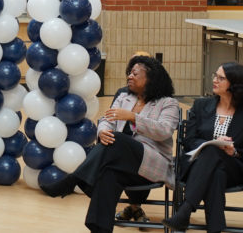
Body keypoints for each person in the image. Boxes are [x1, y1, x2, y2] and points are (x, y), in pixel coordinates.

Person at [44, 56, 178, 233]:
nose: (129, 76)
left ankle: (73, 179)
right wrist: (102, 132)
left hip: (152, 164)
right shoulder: (124, 98)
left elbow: (164, 131)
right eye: (129, 73)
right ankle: (99, 229)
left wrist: (132, 117)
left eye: (135, 74)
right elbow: (106, 120)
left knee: (119, 139)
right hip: (122, 164)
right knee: (108, 174)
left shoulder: (168, 103)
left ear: (151, 79)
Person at [163, 62, 243, 232]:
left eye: (221, 78)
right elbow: (189, 140)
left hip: (233, 168)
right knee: (216, 171)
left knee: (216, 157)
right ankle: (214, 228)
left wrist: (234, 151)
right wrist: (211, 144)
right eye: (215, 76)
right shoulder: (201, 106)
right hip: (199, 165)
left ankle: (186, 209)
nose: (215, 80)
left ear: (234, 84)